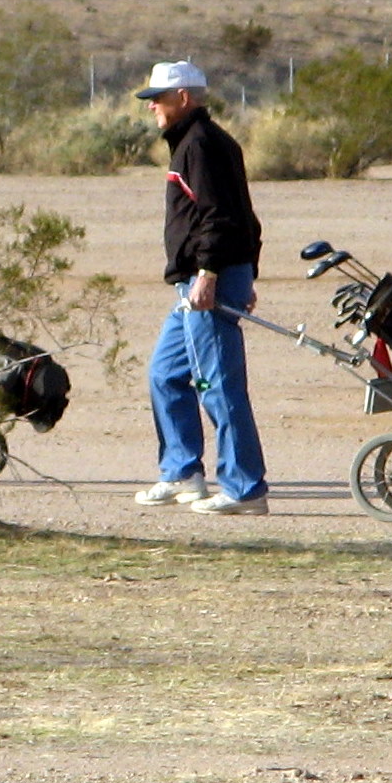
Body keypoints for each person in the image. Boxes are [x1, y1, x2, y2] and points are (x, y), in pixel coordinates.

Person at [131, 60, 269, 515]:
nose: (152, 106)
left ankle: (245, 489)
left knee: (219, 385)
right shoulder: (195, 142)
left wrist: (214, 275)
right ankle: (182, 472)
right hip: (200, 281)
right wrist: (246, 269)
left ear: (184, 98)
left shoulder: (202, 145)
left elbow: (220, 216)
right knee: (165, 374)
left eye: (159, 97)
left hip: (207, 281)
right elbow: (246, 217)